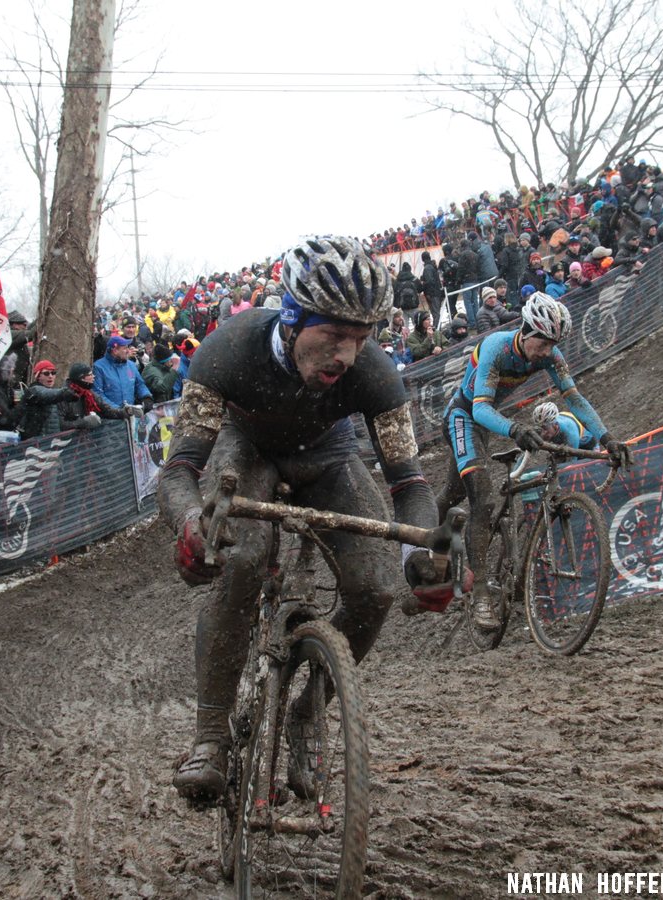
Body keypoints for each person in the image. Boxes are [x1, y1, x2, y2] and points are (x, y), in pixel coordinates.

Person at [158, 236, 447, 804]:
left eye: (361, 339)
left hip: (329, 456)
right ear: (291, 320)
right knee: (239, 558)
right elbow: (179, 471)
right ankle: (211, 738)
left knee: (376, 589)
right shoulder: (225, 351)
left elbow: (411, 486)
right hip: (248, 452)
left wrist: (426, 554)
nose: (346, 355)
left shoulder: (377, 374)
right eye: (333, 336)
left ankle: (308, 709)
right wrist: (191, 522)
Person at [436, 293, 630, 630]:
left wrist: (607, 437)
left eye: (552, 345)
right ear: (526, 332)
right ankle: (478, 593)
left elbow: (574, 398)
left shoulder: (550, 356)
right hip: (463, 416)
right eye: (542, 344)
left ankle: (456, 531)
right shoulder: (496, 346)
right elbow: (479, 408)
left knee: (458, 491)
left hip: (487, 420)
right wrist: (515, 429)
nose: (546, 352)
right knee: (479, 500)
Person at [16, 360, 76, 441]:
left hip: (50, 442)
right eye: (46, 373)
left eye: (53, 373)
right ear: (38, 376)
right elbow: (45, 394)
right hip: (36, 443)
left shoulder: (54, 393)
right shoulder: (33, 390)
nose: (50, 376)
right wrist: (63, 392)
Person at [93, 336, 153, 417]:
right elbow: (98, 394)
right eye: (124, 348)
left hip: (130, 415)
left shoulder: (131, 365)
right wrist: (118, 410)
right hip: (109, 418)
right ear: (115, 350)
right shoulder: (99, 367)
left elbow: (140, 384)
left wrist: (146, 396)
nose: (128, 351)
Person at [531, 400, 598, 450]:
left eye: (545, 428)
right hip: (568, 439)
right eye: (540, 428)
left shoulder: (570, 432)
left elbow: (571, 462)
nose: (542, 433)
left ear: (555, 425)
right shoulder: (553, 425)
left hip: (588, 443)